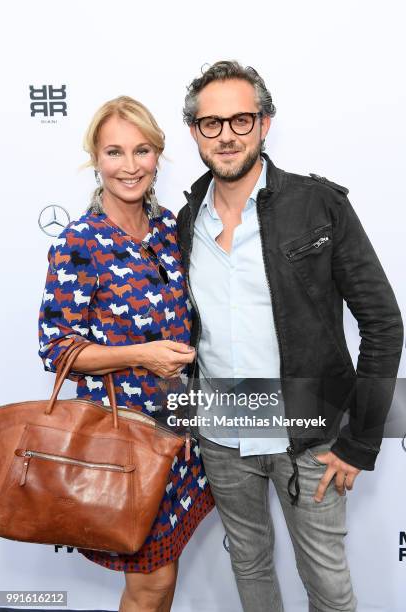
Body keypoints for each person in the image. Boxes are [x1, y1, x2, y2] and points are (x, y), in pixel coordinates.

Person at [176, 61, 404, 612]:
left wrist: (360, 442)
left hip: (311, 435)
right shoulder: (186, 221)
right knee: (249, 566)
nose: (226, 134)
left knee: (326, 583)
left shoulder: (318, 203)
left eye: (241, 119)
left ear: (265, 124)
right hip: (223, 437)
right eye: (211, 123)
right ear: (194, 133)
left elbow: (382, 321)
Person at [38, 95, 214, 612]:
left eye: (142, 150)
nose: (130, 166)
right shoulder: (80, 240)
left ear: (158, 155)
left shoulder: (169, 229)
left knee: (164, 577)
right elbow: (57, 350)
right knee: (150, 584)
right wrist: (142, 354)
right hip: (125, 443)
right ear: (95, 158)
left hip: (179, 435)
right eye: (115, 152)